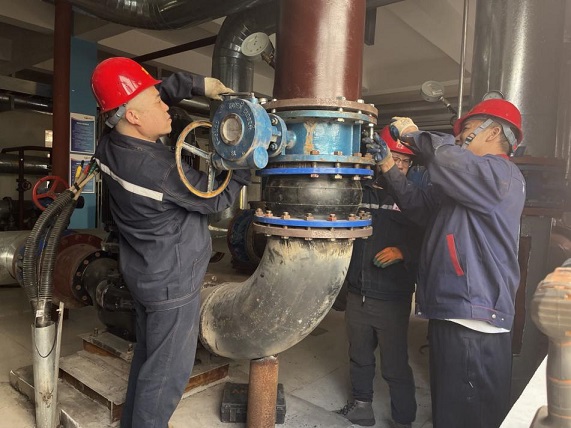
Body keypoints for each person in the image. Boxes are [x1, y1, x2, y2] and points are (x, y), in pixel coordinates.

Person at [91, 57, 251, 428]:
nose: (166, 106)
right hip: (172, 284)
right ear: (133, 116)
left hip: (145, 273)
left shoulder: (110, 143)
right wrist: (244, 159)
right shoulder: (158, 171)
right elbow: (216, 199)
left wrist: (197, 84)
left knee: (150, 362)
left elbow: (147, 98)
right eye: (156, 103)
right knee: (165, 378)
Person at [369, 99, 526, 428]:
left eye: (467, 128)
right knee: (449, 412)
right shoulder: (468, 185)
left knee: (467, 417)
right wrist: (387, 166)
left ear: (493, 132)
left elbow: (445, 156)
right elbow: (418, 205)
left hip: (475, 320)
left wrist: (412, 134)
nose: (459, 136)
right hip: (455, 311)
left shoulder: (501, 174)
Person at [337, 126, 423, 428]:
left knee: (395, 364)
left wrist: (403, 252)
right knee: (359, 355)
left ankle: (403, 419)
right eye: (392, 158)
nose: (397, 165)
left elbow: (430, 238)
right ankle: (362, 407)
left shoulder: (413, 199)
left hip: (391, 297)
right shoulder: (360, 192)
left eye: (404, 161)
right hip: (357, 292)